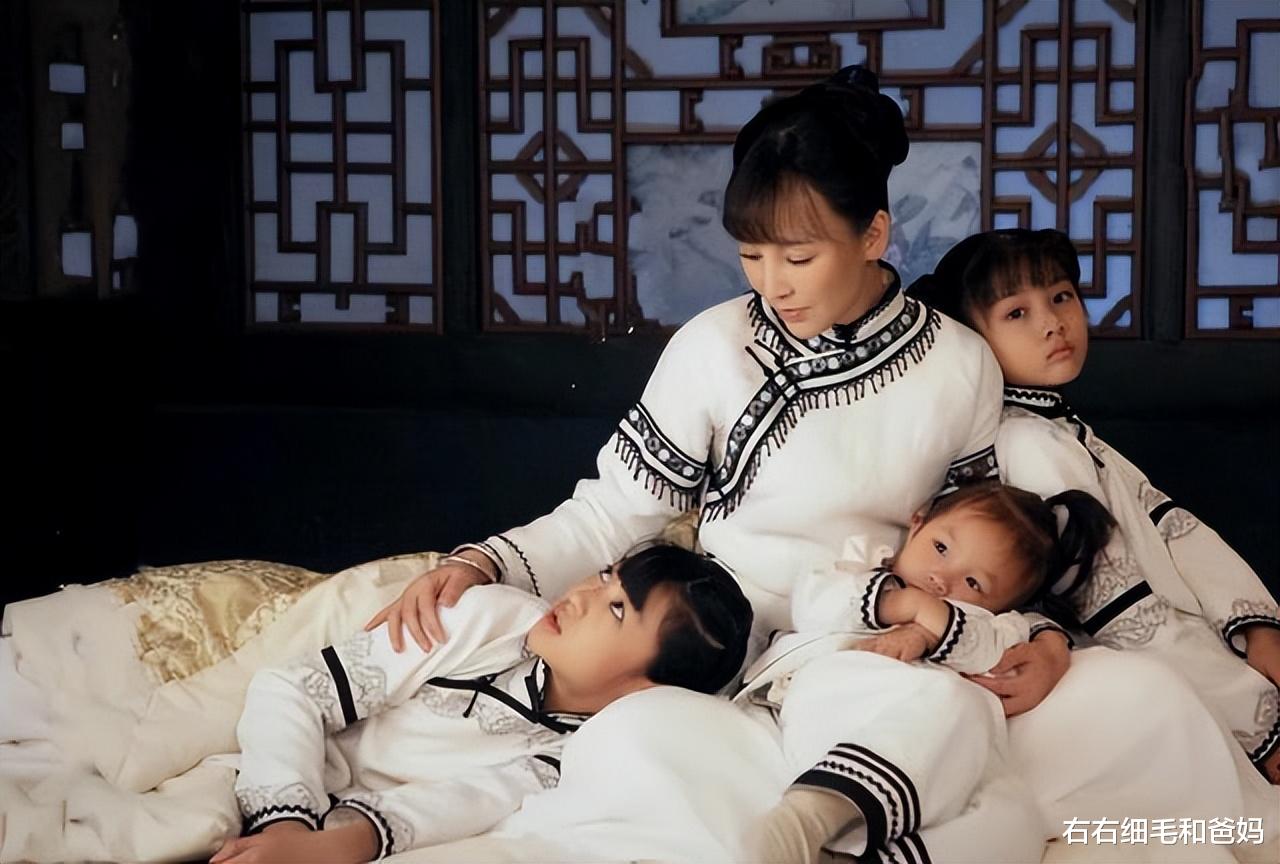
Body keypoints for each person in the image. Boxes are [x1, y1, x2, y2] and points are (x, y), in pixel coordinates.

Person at [366, 67, 1256, 863]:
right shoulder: (714, 348)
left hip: (917, 637)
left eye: (798, 256)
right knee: (648, 749)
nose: (773, 284)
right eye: (752, 256)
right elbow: (613, 514)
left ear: (874, 235)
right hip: (742, 654)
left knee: (1139, 700)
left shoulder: (959, 364)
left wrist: (1045, 638)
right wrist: (480, 561)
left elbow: (988, 533)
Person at [910, 227, 1280, 782]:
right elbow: (1117, 610)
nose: (1052, 323)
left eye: (1061, 296)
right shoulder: (1028, 443)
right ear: (974, 340)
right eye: (1017, 313)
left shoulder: (1063, 428)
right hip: (1127, 666)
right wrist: (1261, 727)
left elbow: (1173, 526)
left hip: (1192, 651)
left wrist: (1255, 628)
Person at [209, 544, 752, 864]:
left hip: (357, 827)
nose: (582, 595)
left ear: (646, 689)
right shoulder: (491, 618)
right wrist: (286, 827)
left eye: (615, 610)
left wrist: (336, 846)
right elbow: (293, 689)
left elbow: (456, 806)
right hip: (279, 764)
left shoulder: (579, 757)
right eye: (606, 575)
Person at [737, 481, 1115, 863]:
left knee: (1015, 823)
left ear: (1002, 607)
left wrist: (929, 628)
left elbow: (999, 645)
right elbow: (815, 605)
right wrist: (906, 605)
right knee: (957, 702)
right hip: (837, 699)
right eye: (941, 548)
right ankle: (808, 817)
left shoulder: (990, 628)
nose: (941, 579)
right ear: (917, 523)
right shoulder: (859, 567)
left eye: (973, 583)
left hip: (925, 764)